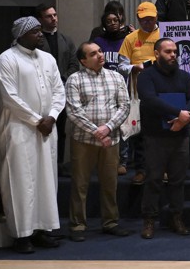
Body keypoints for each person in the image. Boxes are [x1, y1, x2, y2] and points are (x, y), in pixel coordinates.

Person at [0, 17, 66, 254]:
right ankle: (22, 235)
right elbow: (9, 97)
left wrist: (52, 116)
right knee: (21, 181)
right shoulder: (6, 59)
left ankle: (43, 230)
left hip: (47, 128)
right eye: (35, 32)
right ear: (21, 35)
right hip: (19, 129)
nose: (40, 35)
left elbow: (58, 90)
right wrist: (37, 120)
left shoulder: (48, 59)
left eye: (40, 31)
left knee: (46, 179)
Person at [65, 42, 131, 242]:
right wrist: (97, 132)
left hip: (111, 139)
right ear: (83, 60)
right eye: (93, 54)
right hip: (84, 140)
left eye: (100, 51)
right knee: (80, 183)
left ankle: (110, 222)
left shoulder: (116, 77)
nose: (100, 55)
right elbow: (73, 111)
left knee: (110, 183)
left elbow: (125, 106)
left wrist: (108, 128)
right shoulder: (75, 79)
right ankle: (77, 225)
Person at [138, 38, 190, 239]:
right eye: (168, 51)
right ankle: (149, 220)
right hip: (155, 136)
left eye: (175, 51)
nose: (173, 55)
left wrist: (184, 118)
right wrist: (179, 114)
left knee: (178, 180)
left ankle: (176, 217)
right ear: (157, 54)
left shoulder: (184, 76)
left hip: (180, 136)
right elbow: (150, 100)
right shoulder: (146, 76)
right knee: (154, 180)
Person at [118, 2, 162, 185]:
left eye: (150, 19)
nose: (147, 22)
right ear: (138, 19)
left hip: (161, 90)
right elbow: (121, 66)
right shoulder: (130, 38)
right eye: (143, 20)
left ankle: (162, 170)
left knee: (161, 133)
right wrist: (134, 67)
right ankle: (141, 170)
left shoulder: (165, 34)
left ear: (156, 17)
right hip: (137, 92)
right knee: (138, 133)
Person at [36, 4, 79, 170]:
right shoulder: (36, 41)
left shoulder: (66, 40)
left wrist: (62, 79)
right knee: (41, 127)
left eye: (55, 15)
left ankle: (58, 163)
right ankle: (43, 165)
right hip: (40, 91)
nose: (54, 19)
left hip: (61, 91)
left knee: (60, 129)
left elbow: (74, 64)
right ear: (40, 20)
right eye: (49, 16)